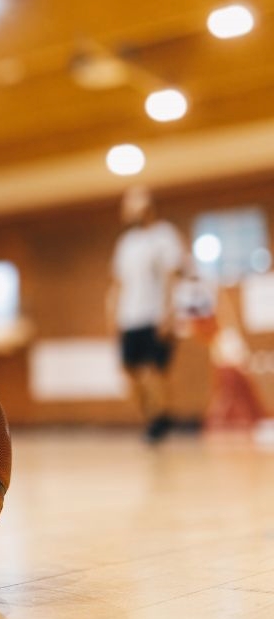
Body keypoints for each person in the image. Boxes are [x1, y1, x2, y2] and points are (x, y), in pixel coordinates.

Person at [106, 185, 185, 443]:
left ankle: (159, 420)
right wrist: (111, 313)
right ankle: (155, 418)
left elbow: (171, 277)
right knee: (132, 372)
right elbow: (118, 283)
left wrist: (169, 313)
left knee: (153, 371)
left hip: (154, 315)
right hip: (129, 317)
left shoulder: (165, 236)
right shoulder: (126, 243)